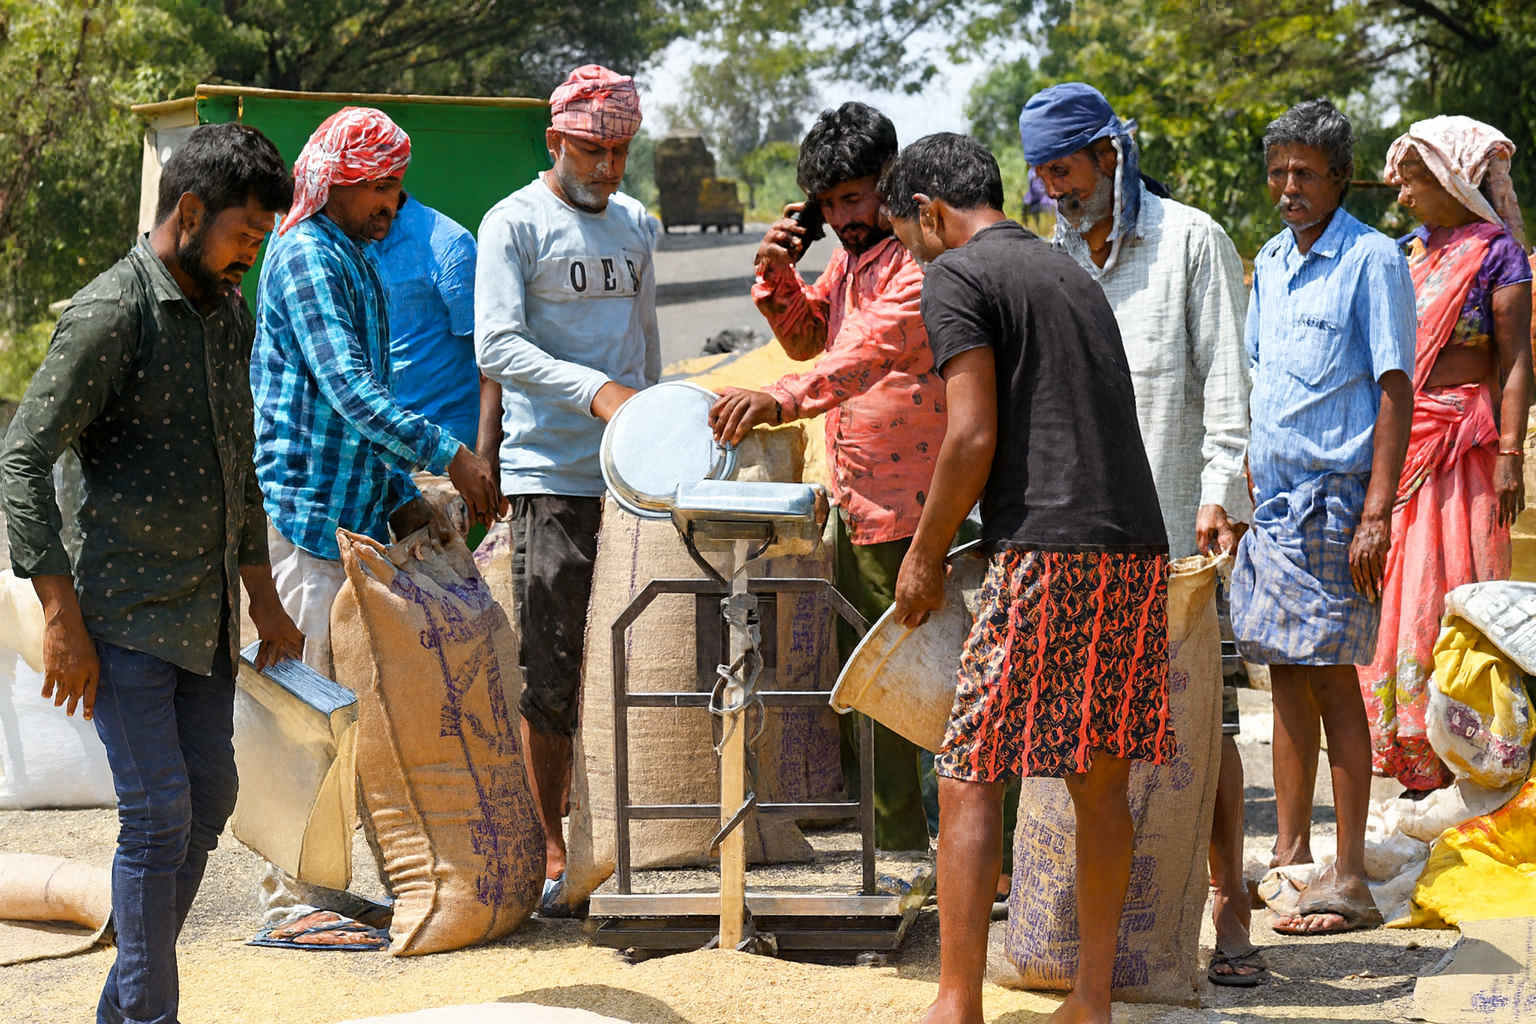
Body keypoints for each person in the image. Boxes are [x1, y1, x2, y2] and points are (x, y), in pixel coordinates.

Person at [0, 123, 305, 1024]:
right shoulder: (110, 312)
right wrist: (59, 615)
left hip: (204, 620)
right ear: (188, 211)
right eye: (246, 233)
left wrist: (265, 601)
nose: (254, 251)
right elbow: (21, 458)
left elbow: (237, 466)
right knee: (158, 815)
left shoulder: (226, 313)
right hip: (122, 619)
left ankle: (121, 1010)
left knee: (208, 798)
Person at [884, 132, 1173, 1024]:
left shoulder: (958, 276)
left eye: (907, 237)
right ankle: (1091, 1001)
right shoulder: (1066, 270)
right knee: (1096, 777)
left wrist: (925, 553)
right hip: (1134, 546)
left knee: (970, 770)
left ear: (932, 212)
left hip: (1049, 549)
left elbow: (971, 435)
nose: (913, 256)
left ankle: (955, 1002)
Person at [1018, 83, 1261, 986]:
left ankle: (1232, 903)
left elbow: (1228, 391)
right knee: (1095, 741)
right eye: (1042, 176)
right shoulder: (1052, 257)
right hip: (1081, 539)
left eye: (1067, 170)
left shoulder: (1191, 241)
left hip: (1176, 537)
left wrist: (1220, 496)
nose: (1055, 189)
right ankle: (1105, 932)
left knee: (1207, 728)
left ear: (1112, 155)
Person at [707, 101, 949, 853]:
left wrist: (775, 397)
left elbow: (862, 357)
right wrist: (777, 272)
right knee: (873, 677)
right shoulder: (851, 258)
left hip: (916, 504)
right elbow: (812, 336)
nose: (845, 216)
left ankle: (937, 845)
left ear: (891, 180)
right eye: (830, 204)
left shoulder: (917, 266)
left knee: (917, 682)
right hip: (857, 495)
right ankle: (897, 837)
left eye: (856, 197)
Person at [1229, 99, 1417, 935]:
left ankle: (1351, 878)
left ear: (1341, 176)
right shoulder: (1270, 260)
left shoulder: (1373, 259)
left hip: (1340, 504)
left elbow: (1393, 388)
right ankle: (1292, 854)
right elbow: (1260, 372)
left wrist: (1376, 512)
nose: (1288, 186)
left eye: (1305, 171)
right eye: (1278, 171)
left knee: (1336, 676)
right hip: (1274, 507)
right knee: (1287, 675)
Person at [475, 64, 657, 905]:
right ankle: (548, 847)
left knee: (624, 662)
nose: (609, 168)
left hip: (633, 480)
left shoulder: (636, 226)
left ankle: (612, 832)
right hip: (551, 477)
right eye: (592, 149)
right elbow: (497, 349)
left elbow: (646, 348)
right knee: (548, 668)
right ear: (554, 143)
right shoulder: (511, 224)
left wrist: (658, 430)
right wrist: (595, 391)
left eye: (621, 150)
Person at [253, 107, 501, 679]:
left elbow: (361, 416)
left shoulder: (356, 255)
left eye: (397, 186)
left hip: (355, 524)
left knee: (360, 711)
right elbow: (350, 391)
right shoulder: (307, 255)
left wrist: (399, 497)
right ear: (336, 183)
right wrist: (453, 455)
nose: (393, 203)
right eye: (380, 187)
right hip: (310, 522)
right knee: (313, 710)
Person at [1360, 118, 1533, 792]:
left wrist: (1511, 452)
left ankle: (1461, 754)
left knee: (1450, 593)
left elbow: (1515, 359)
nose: (1402, 197)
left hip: (1464, 446)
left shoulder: (1497, 255)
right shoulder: (1407, 252)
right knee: (1399, 597)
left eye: (1414, 182)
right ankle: (1412, 757)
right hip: (1400, 445)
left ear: (1455, 180)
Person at [373, 192, 480, 451]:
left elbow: (490, 362)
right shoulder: (337, 245)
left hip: (448, 451)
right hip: (376, 444)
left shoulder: (449, 244)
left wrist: (486, 454)